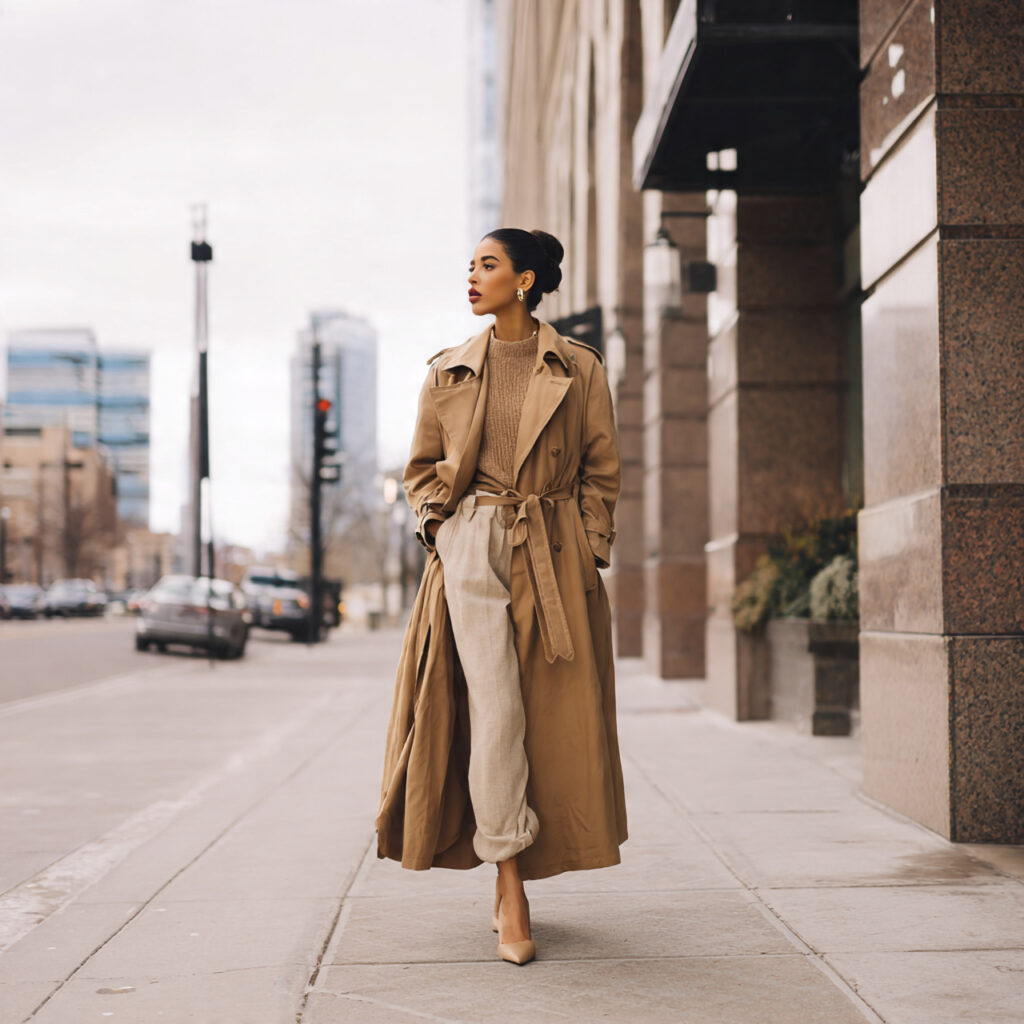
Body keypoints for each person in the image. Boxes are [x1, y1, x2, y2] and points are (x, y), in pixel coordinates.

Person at [375, 227, 627, 966]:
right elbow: (422, 468)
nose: (472, 277)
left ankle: (511, 871)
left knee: (547, 722)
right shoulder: (448, 371)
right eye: (470, 266)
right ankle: (511, 884)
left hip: (552, 553)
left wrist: (588, 549)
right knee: (496, 713)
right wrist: (440, 528)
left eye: (487, 265)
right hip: (473, 548)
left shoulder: (579, 369)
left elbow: (600, 472)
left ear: (524, 281)